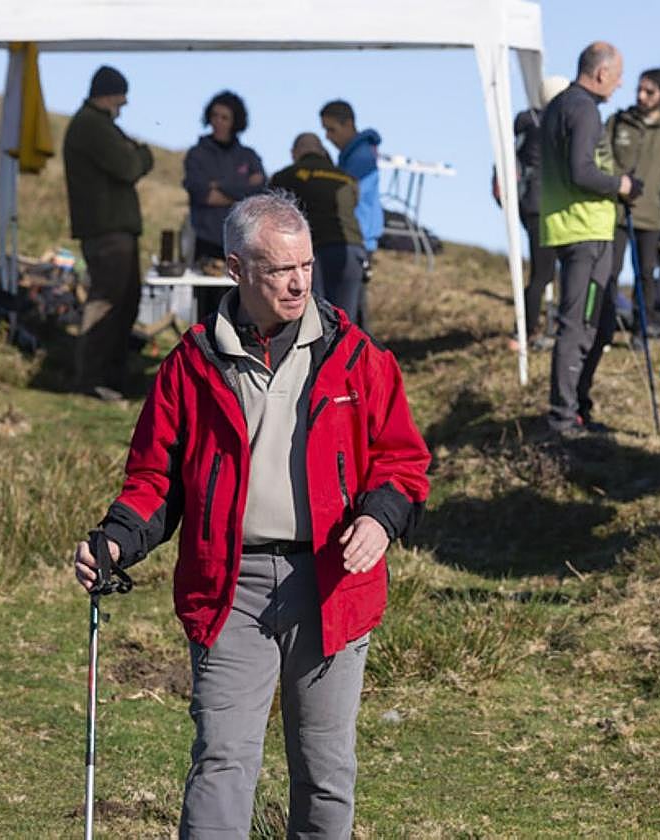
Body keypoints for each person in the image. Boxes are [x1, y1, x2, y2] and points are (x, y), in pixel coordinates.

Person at [72, 192, 431, 838]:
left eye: (306, 266)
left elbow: (403, 461)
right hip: (227, 588)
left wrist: (380, 519)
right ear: (236, 269)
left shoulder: (358, 356)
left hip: (332, 586)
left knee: (325, 771)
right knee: (222, 764)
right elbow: (154, 479)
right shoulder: (189, 364)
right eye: (279, 269)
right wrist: (116, 540)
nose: (298, 282)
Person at [540, 42, 640, 437]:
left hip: (570, 227)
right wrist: (623, 184)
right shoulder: (583, 109)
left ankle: (575, 409)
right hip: (586, 231)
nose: (619, 85)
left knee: (590, 325)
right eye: (617, 77)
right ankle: (564, 418)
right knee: (579, 326)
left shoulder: (559, 106)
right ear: (601, 74)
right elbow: (582, 171)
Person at [63, 65, 154, 401]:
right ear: (110, 94)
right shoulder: (92, 126)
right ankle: (90, 380)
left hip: (112, 229)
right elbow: (128, 166)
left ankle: (110, 378)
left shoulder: (96, 125)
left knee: (123, 303)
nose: (124, 105)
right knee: (107, 303)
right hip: (107, 230)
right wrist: (143, 154)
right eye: (121, 97)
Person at [497, 74, 570, 351]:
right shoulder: (553, 126)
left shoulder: (527, 125)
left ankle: (529, 327)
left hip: (528, 204)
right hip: (546, 205)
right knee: (543, 273)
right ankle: (523, 331)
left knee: (543, 271)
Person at [605, 67, 660, 335]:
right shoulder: (618, 121)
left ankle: (641, 327)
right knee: (609, 270)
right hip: (615, 211)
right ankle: (605, 324)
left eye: (649, 91)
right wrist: (617, 182)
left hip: (652, 214)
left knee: (646, 273)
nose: (641, 96)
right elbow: (603, 156)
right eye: (639, 89)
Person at [183, 90, 267, 320]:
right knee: (207, 314)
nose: (218, 122)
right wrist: (241, 187)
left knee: (242, 312)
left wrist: (219, 186)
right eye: (215, 116)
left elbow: (260, 193)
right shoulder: (197, 155)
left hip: (242, 246)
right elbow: (203, 195)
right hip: (207, 244)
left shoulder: (248, 156)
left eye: (225, 117)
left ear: (235, 121)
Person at [270, 132, 367, 322]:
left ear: (295, 152)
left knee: (313, 319)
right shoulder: (347, 178)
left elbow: (273, 210)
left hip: (314, 252)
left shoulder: (286, 176)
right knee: (345, 322)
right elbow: (354, 203)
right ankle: (345, 351)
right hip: (352, 248)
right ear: (322, 151)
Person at [320, 100, 383, 255]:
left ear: (348, 124)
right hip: (356, 237)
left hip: (356, 238)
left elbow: (344, 195)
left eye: (331, 129)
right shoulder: (353, 155)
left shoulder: (361, 158)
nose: (327, 136)